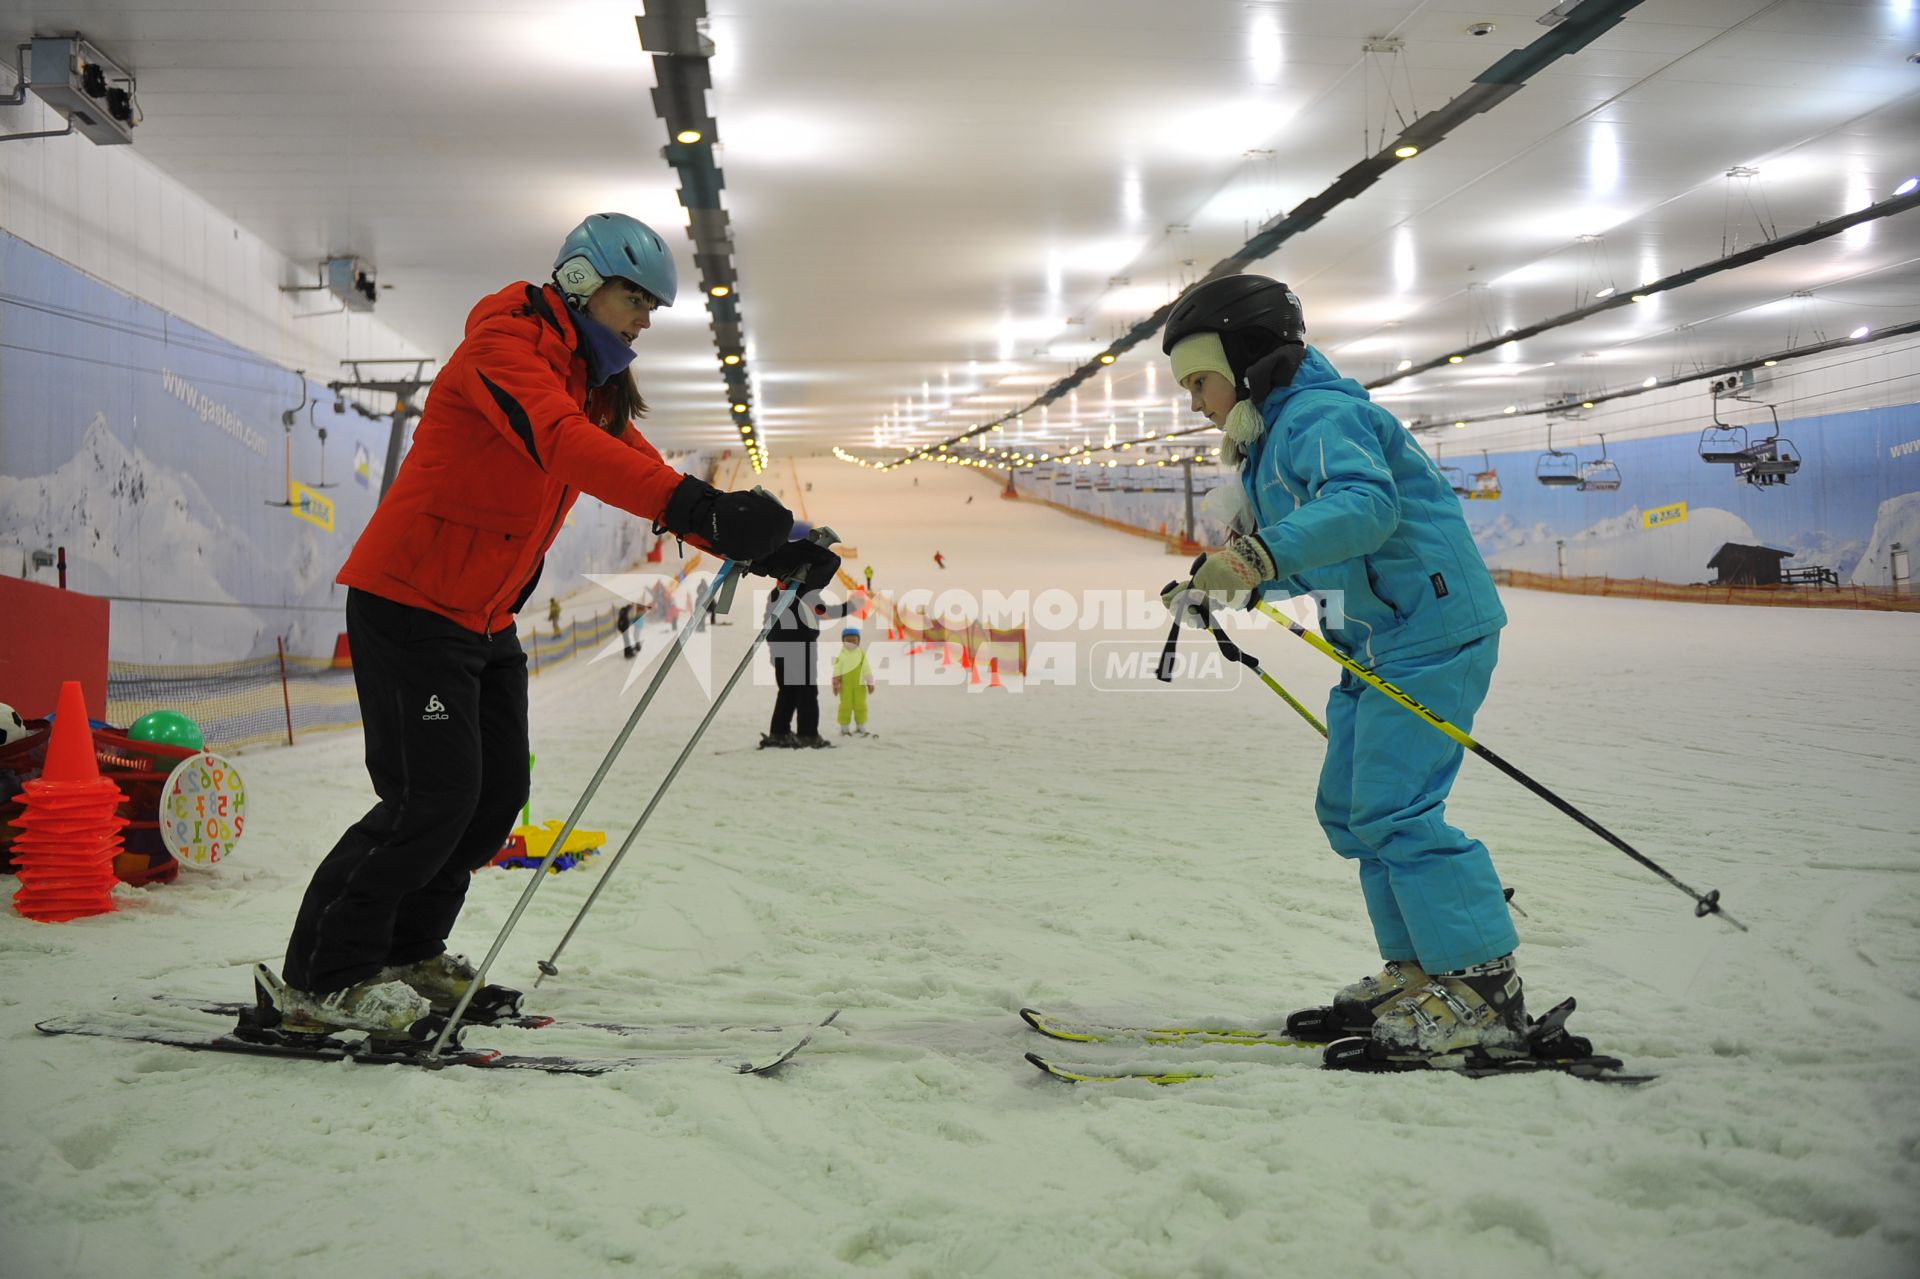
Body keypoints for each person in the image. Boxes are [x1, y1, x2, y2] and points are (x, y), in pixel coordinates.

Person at [271, 212, 839, 1036]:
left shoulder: (584, 381)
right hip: (410, 602)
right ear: (580, 281)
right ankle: (327, 973)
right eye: (633, 298)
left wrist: (778, 543)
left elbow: (639, 464)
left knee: (491, 799)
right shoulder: (502, 353)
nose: (643, 320)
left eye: (651, 305)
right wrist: (701, 508)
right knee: (428, 799)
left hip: (484, 614)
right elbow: (568, 446)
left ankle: (411, 951)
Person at [1159, 272, 1517, 1063]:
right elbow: (1324, 548)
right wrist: (1233, 580)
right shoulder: (1271, 442)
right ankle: (1422, 968)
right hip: (1376, 639)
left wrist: (1256, 554)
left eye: (1199, 379)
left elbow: (1364, 507)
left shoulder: (1322, 416)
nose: (1194, 400)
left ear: (1246, 362)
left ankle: (1483, 987)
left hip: (1429, 630)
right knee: (1353, 811)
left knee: (1395, 809)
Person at [760, 574, 854, 749]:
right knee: (807, 692)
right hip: (800, 650)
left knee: (787, 692)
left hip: (780, 651)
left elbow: (767, 624)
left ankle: (779, 732)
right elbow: (825, 613)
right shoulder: (805, 594)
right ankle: (808, 734)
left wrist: (774, 651)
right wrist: (853, 605)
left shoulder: (775, 594)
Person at [831, 626, 877, 737]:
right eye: (848, 640)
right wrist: (836, 683)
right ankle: (844, 728)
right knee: (845, 706)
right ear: (843, 641)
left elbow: (866, 668)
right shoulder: (841, 655)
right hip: (845, 687)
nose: (851, 642)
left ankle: (861, 727)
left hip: (860, 686)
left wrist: (870, 682)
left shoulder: (861, 654)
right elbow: (837, 670)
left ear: (858, 641)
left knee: (860, 706)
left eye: (854, 640)